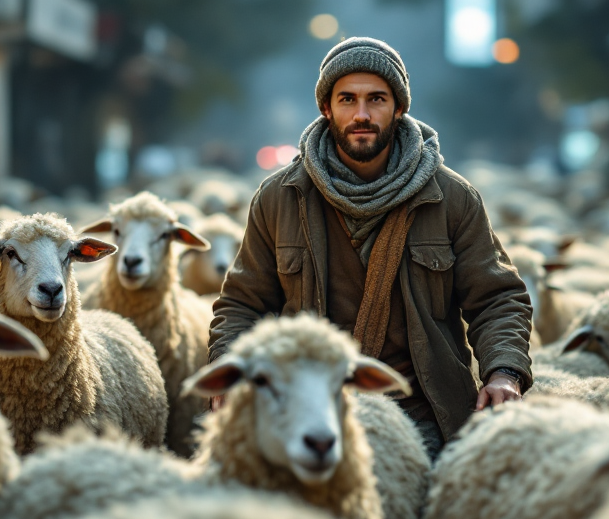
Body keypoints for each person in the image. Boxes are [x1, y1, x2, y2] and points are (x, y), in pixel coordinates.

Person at [209, 37, 532, 459]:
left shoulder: (451, 198)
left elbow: (497, 298)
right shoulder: (280, 198)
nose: (361, 114)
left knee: (427, 513)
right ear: (327, 108)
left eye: (376, 99)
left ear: (399, 108)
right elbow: (242, 303)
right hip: (306, 410)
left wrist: (504, 372)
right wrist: (228, 369)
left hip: (422, 413)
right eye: (347, 99)